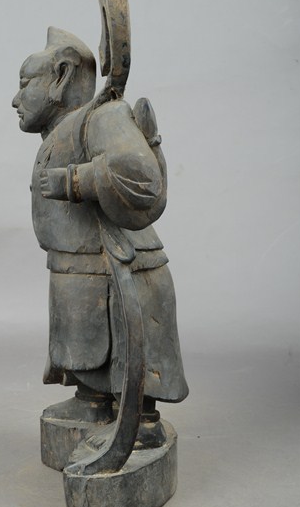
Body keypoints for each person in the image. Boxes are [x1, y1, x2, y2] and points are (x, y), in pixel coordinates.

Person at [12, 26, 188, 450]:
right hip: (81, 269)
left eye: (25, 84)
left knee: (126, 351)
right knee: (86, 347)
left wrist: (76, 180)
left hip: (121, 268)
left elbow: (142, 178)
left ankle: (142, 421)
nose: (16, 99)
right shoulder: (71, 127)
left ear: (60, 77)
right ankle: (92, 401)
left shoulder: (103, 118)